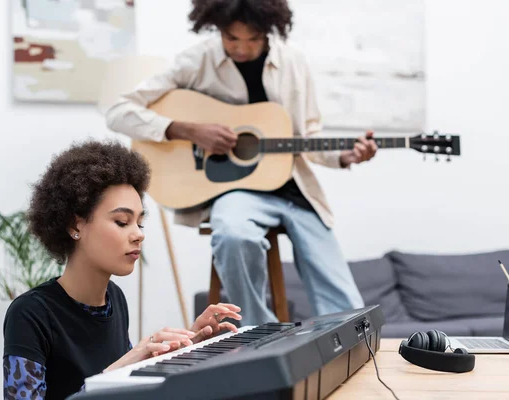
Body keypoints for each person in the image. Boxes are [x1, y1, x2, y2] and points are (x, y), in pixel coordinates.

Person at [105, 0, 377, 326]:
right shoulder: (197, 60)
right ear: (216, 27)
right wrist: (185, 129)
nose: (241, 49)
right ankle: (263, 335)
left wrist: (345, 157)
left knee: (340, 292)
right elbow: (119, 111)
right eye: (231, 38)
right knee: (233, 236)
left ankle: (348, 344)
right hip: (236, 192)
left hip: (295, 189)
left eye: (253, 39)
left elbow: (309, 135)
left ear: (269, 31)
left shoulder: (293, 62)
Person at [2, 140, 242, 400]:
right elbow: (113, 380)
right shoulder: (30, 314)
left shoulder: (115, 299)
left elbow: (123, 391)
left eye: (139, 223)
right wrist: (118, 369)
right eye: (122, 222)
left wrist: (186, 347)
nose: (138, 235)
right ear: (75, 225)